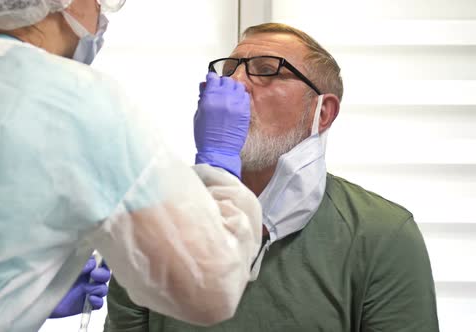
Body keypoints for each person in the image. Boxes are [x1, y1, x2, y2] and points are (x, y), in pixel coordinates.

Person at [0, 0, 264, 331]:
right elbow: (208, 287)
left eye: (266, 69)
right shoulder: (83, 103)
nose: (100, 13)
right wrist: (220, 163)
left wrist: (20, 290)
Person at [104, 22, 440, 332]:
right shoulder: (150, 222)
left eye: (267, 71)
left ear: (322, 112)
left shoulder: (382, 235)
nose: (234, 83)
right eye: (228, 71)